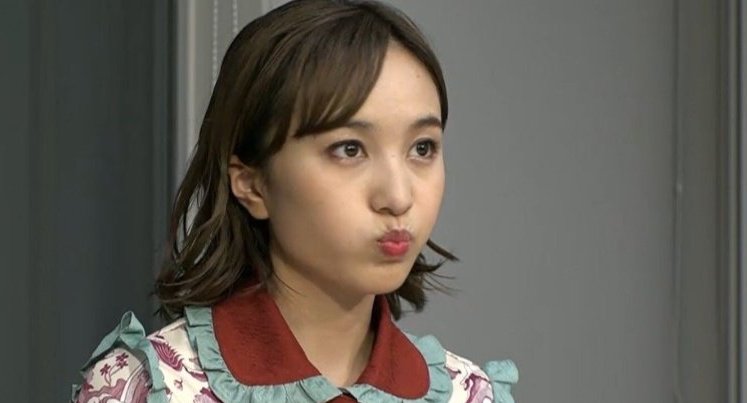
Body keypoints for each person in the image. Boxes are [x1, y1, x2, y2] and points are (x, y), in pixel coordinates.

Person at [71, 0, 518, 402]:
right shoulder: (150, 387)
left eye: (422, 148)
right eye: (349, 149)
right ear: (251, 183)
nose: (398, 197)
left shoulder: (468, 395)